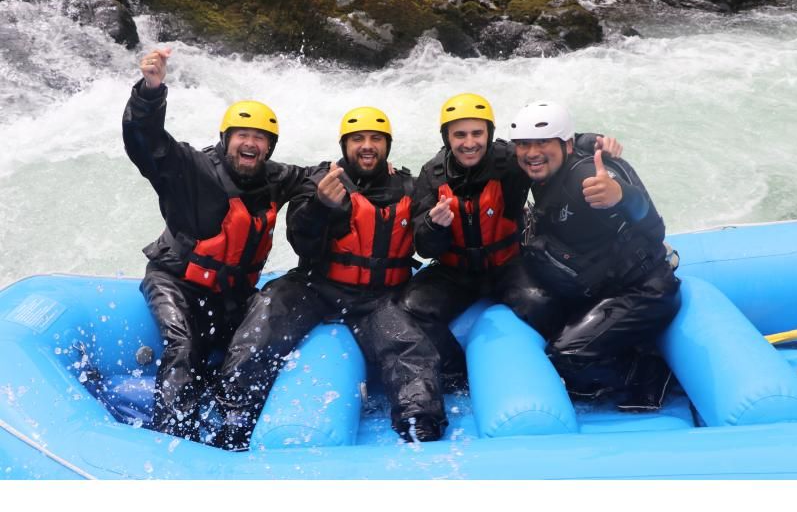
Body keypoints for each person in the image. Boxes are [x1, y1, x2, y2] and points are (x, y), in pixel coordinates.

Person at [211, 106, 442, 449]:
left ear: (387, 146)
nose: (367, 146)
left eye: (376, 139)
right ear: (344, 145)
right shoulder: (322, 181)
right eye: (358, 139)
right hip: (318, 286)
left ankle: (418, 419)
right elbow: (300, 240)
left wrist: (438, 227)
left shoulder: (408, 186)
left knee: (408, 345)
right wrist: (320, 206)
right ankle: (234, 413)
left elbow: (426, 245)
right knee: (266, 314)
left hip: (377, 296)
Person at [391, 93, 621, 439]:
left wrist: (592, 142)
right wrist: (434, 227)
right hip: (456, 271)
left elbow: (547, 147)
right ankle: (456, 374)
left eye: (476, 134)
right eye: (460, 135)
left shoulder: (509, 160)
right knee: (410, 309)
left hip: (507, 262)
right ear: (447, 138)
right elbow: (422, 248)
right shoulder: (431, 175)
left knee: (540, 304)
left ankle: (573, 370)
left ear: (488, 134)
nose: (469, 143)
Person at [122, 48, 307, 441]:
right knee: (184, 344)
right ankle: (172, 436)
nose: (251, 144)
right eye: (243, 135)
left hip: (229, 293)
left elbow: (318, 174)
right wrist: (150, 92)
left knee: (254, 343)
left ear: (270, 146)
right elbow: (147, 142)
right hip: (175, 281)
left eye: (260, 138)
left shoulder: (276, 178)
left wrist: (372, 172)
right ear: (226, 139)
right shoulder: (191, 169)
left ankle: (233, 424)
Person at [509, 100, 681, 410]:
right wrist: (592, 138)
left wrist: (621, 196)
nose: (531, 152)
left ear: (566, 145)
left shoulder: (588, 179)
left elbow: (654, 228)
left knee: (565, 356)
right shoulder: (542, 166)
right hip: (599, 283)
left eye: (543, 142)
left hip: (642, 290)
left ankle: (648, 371)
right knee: (527, 300)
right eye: (523, 144)